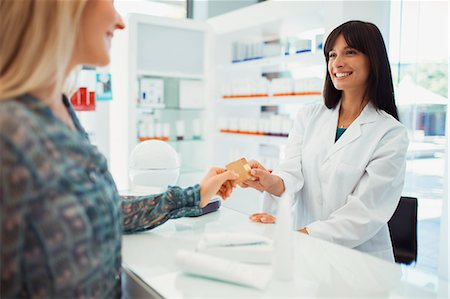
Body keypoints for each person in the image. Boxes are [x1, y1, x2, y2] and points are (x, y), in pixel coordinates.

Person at [0, 1, 238, 297]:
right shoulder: (10, 131)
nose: (120, 21)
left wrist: (195, 195)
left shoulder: (61, 109)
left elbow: (104, 209)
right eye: (108, 2)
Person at [241, 20, 409, 261]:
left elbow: (364, 213)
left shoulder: (390, 133)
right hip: (305, 250)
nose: (337, 63)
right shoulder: (309, 115)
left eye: (350, 52)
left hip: (358, 261)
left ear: (373, 59)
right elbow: (292, 172)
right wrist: (269, 181)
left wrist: (295, 235)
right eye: (332, 55)